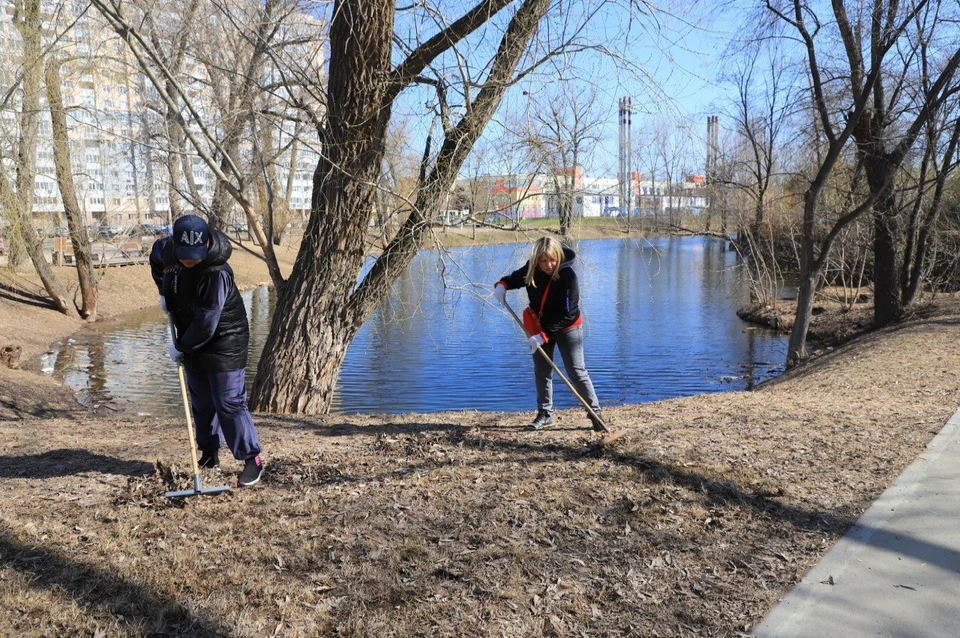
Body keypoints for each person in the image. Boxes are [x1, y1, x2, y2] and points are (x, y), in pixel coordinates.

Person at [149, 214, 265, 487]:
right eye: (185, 255)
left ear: (207, 242)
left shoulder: (217, 272)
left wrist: (180, 346)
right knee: (201, 401)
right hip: (190, 331)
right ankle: (210, 454)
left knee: (228, 401)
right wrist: (163, 292)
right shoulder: (166, 250)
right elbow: (156, 258)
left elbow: (207, 322)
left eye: (196, 254)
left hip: (225, 339)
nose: (190, 260)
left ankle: (252, 459)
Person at [494, 236, 604, 431]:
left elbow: (568, 314)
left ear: (558, 256)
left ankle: (595, 414)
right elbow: (515, 278)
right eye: (543, 260)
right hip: (539, 325)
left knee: (576, 372)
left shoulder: (569, 277)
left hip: (568, 327)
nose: (548, 264)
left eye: (552, 259)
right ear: (537, 260)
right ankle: (545, 414)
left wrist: (543, 335)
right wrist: (502, 285)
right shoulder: (532, 270)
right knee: (542, 372)